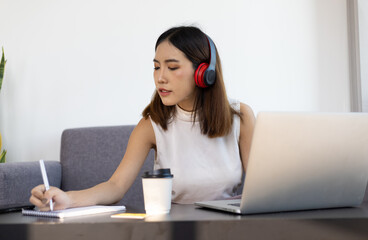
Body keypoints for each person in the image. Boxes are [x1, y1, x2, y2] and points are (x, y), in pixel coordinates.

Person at [30, 26, 255, 210]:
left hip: (230, 227)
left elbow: (260, 185)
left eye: (172, 67)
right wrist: (68, 199)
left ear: (205, 73)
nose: (160, 78)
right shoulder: (152, 123)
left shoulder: (240, 116)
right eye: (156, 67)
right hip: (178, 229)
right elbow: (116, 186)